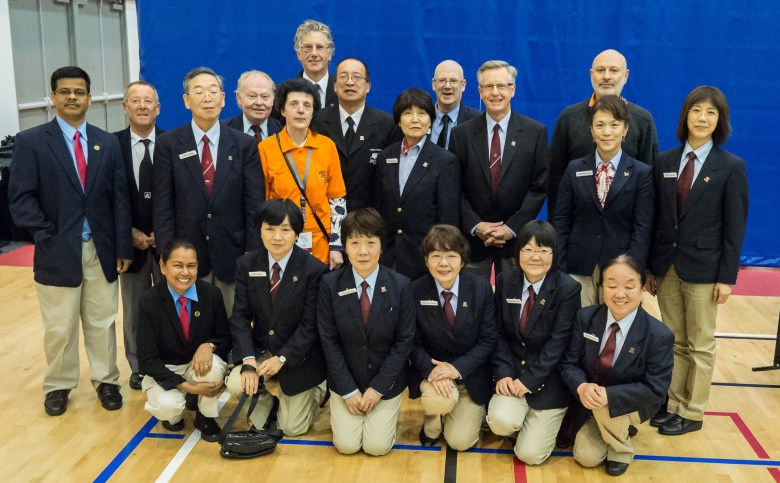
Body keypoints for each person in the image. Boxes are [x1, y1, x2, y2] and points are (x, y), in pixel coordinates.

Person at [9, 66, 132, 416]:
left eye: (79, 92)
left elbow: (118, 199)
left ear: (90, 98)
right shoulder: (32, 141)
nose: (72, 97)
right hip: (56, 250)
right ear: (53, 97)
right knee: (60, 327)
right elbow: (21, 199)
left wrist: (122, 246)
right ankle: (59, 385)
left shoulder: (106, 142)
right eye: (65, 91)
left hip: (101, 249)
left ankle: (107, 380)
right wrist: (46, 234)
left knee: (102, 321)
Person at [646, 86, 748, 436]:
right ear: (685, 116)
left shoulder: (731, 167)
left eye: (711, 113)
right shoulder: (665, 161)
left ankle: (692, 410)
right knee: (673, 340)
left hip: (705, 270)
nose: (702, 118)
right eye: (696, 111)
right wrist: (651, 267)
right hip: (667, 267)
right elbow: (659, 218)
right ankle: (673, 403)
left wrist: (727, 277)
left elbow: (735, 227)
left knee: (701, 343)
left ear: (719, 121)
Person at [153, 67, 264, 315]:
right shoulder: (168, 144)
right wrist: (167, 253)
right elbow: (162, 205)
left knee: (233, 325)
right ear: (186, 100)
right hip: (186, 257)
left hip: (232, 254)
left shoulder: (244, 144)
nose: (207, 97)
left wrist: (252, 252)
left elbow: (254, 203)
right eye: (199, 91)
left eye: (214, 91)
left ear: (223, 99)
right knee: (190, 328)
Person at [561, 255, 673, 476]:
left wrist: (609, 396)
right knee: (587, 457)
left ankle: (621, 451)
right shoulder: (586, 317)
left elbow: (656, 390)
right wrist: (582, 387)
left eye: (629, 286)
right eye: (611, 285)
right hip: (589, 398)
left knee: (604, 406)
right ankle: (613, 426)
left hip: (634, 403)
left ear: (642, 288)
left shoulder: (659, 335)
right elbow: (569, 364)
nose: (619, 294)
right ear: (602, 287)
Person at [317, 208, 415, 456]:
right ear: (345, 247)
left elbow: (403, 342)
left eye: (371, 243)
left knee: (376, 447)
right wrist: (348, 390)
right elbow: (329, 341)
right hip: (345, 381)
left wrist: (378, 388)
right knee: (347, 447)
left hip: (385, 383)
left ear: (382, 247)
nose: (363, 251)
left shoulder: (401, 285)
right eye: (355, 243)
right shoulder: (329, 284)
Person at [226, 199, 328, 436]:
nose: (277, 237)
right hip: (263, 349)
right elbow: (240, 317)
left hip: (299, 354)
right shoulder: (246, 264)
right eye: (269, 229)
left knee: (292, 429)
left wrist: (283, 358)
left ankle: (319, 390)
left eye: (285, 229)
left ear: (296, 233)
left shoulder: (314, 269)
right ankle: (268, 406)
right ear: (260, 230)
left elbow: (310, 326)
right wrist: (249, 361)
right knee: (235, 382)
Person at [487, 220, 581, 464]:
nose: (535, 257)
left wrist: (529, 381)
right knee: (500, 422)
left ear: (554, 253)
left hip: (548, 381)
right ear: (518, 252)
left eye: (543, 250)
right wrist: (504, 373)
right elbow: (497, 333)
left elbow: (558, 344)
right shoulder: (506, 280)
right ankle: (521, 418)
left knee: (530, 455)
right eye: (527, 249)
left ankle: (551, 420)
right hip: (512, 373)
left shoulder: (568, 288)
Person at [449, 60, 548, 278]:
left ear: (512, 89)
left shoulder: (535, 132)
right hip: (473, 243)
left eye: (501, 86)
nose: (495, 92)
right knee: (472, 307)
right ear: (480, 91)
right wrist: (476, 225)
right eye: (488, 86)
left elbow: (538, 188)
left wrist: (511, 228)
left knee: (513, 309)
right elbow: (453, 188)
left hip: (516, 243)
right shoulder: (460, 134)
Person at [553, 95, 653, 306]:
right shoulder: (574, 169)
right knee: (579, 328)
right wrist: (560, 266)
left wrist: (632, 267)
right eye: (600, 125)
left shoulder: (641, 173)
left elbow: (642, 228)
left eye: (614, 125)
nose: (607, 132)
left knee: (615, 331)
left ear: (625, 129)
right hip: (578, 265)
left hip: (621, 266)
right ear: (591, 130)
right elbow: (561, 221)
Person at [411, 225, 496, 450]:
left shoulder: (481, 289)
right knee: (438, 402)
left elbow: (488, 340)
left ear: (462, 259)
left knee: (459, 442)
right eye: (436, 256)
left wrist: (455, 369)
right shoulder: (415, 290)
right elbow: (411, 342)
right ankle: (432, 420)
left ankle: (457, 413)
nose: (444, 263)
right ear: (426, 259)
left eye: (451, 256)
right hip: (434, 375)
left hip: (470, 376)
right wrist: (434, 372)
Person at [136, 240, 231, 442]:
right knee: (167, 407)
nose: (185, 273)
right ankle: (175, 414)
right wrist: (191, 389)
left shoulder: (211, 294)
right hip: (166, 369)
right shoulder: (148, 301)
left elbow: (226, 337)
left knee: (212, 367)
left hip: (196, 366)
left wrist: (209, 345)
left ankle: (206, 416)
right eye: (178, 265)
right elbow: (147, 360)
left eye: (191, 266)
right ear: (163, 266)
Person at [548, 49, 658, 218]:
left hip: (626, 229)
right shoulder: (568, 118)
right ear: (591, 75)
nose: (606, 76)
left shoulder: (643, 120)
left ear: (626, 75)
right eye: (600, 70)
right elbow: (555, 180)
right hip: (579, 229)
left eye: (614, 70)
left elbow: (650, 182)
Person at [258, 78, 347, 269]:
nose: (300, 110)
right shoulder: (266, 148)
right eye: (294, 104)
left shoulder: (327, 146)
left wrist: (336, 246)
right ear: (282, 110)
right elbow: (262, 203)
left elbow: (337, 201)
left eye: (307, 105)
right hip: (280, 243)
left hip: (321, 244)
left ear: (313, 111)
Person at [374, 88, 459, 280]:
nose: (415, 119)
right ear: (398, 120)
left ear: (430, 120)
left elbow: (447, 218)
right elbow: (378, 208)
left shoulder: (445, 160)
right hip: (387, 257)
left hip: (425, 258)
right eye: (407, 113)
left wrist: (440, 255)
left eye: (422, 113)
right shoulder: (385, 156)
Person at [114, 80, 164, 390]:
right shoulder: (110, 145)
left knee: (167, 306)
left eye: (149, 100)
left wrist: (165, 230)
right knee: (132, 310)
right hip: (129, 245)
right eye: (136, 100)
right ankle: (136, 364)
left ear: (158, 108)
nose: (142, 106)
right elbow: (108, 197)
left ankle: (166, 359)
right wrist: (127, 232)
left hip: (165, 244)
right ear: (125, 107)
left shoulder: (174, 142)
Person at [313, 57, 400, 211]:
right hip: (325, 214)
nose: (350, 82)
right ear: (334, 86)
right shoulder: (317, 121)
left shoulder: (386, 124)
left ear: (368, 87)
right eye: (343, 76)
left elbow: (390, 181)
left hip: (369, 217)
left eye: (356, 77)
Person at [429, 60, 481, 150]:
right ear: (434, 84)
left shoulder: (479, 121)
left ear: (463, 85)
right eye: (442, 80)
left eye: (453, 81)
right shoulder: (421, 118)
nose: (447, 86)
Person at [224, 70, 282, 142]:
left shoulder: (283, 130)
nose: (259, 102)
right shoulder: (223, 131)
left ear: (273, 99)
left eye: (265, 96)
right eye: (252, 96)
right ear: (239, 98)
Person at [294, 19, 337, 109]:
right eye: (308, 47)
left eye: (319, 47)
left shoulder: (342, 92)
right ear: (299, 54)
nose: (314, 53)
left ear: (330, 54)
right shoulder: (285, 93)